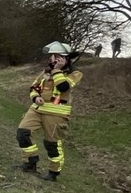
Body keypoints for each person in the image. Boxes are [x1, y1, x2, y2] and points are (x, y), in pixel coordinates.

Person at [17, 41, 83, 181]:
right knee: (23, 133)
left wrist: (57, 70)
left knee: (52, 144)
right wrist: (35, 98)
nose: (51, 59)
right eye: (52, 56)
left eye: (55, 56)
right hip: (37, 110)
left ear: (64, 58)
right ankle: (30, 162)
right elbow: (34, 87)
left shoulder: (75, 74)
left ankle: (53, 172)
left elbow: (63, 87)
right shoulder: (45, 72)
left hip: (56, 114)